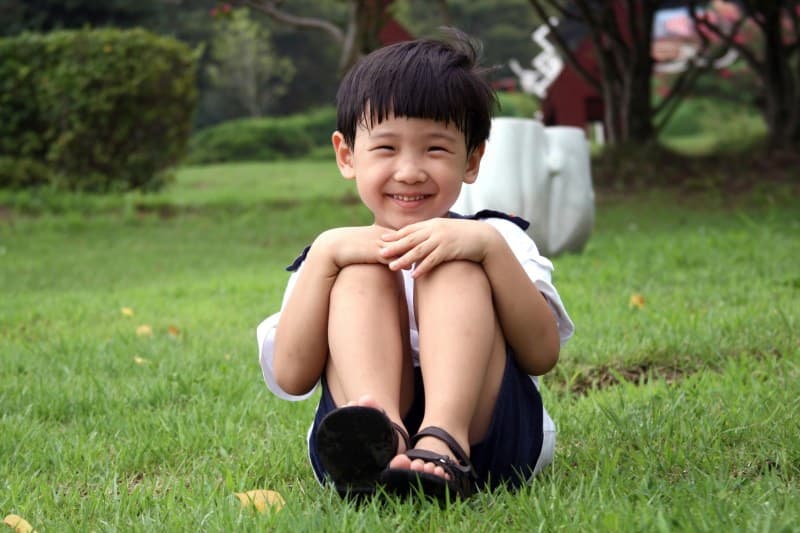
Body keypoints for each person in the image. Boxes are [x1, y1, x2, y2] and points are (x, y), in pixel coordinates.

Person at [257, 29, 574, 501]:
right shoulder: (335, 256)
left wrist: (488, 250)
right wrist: (322, 255)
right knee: (360, 272)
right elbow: (292, 376)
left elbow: (541, 355)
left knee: (454, 261)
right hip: (356, 462)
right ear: (347, 155)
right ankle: (379, 437)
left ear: (472, 159)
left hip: (489, 446)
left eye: (436, 149)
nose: (409, 171)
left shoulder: (495, 239)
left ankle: (443, 440)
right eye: (386, 148)